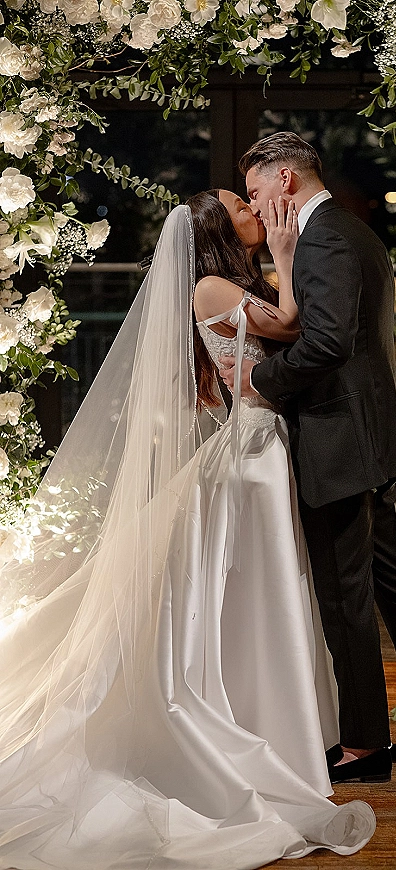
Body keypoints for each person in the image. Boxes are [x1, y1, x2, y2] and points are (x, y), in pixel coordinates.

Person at [0, 192, 376, 870]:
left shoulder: (229, 282)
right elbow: (290, 324)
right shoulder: (208, 285)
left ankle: (274, 721)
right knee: (257, 589)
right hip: (252, 453)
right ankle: (252, 731)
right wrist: (289, 259)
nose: (252, 210)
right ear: (214, 229)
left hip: (266, 446)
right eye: (239, 206)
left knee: (267, 593)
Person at [220, 132, 396, 784]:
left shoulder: (325, 236)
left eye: (254, 191)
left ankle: (364, 745)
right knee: (394, 578)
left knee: (345, 595)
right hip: (369, 437)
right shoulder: (350, 231)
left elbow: (327, 341)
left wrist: (261, 384)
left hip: (338, 441)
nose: (253, 203)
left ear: (285, 182)